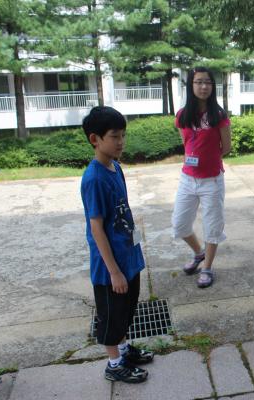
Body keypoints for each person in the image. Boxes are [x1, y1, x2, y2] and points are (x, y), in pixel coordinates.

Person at [80, 106, 154, 383]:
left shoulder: (116, 167)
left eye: (123, 135)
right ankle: (114, 364)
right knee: (111, 316)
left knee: (126, 310)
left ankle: (123, 351)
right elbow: (96, 227)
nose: (121, 142)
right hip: (109, 266)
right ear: (95, 139)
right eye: (114, 136)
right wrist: (113, 271)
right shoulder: (94, 179)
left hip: (126, 255)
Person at [172, 66, 231, 288]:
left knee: (212, 226)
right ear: (191, 85)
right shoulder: (182, 115)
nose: (203, 86)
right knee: (179, 224)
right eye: (198, 82)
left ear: (212, 86)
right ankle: (199, 253)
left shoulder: (219, 116)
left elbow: (226, 147)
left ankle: (207, 268)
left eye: (207, 82)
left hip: (212, 180)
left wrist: (208, 159)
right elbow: (186, 144)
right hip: (187, 179)